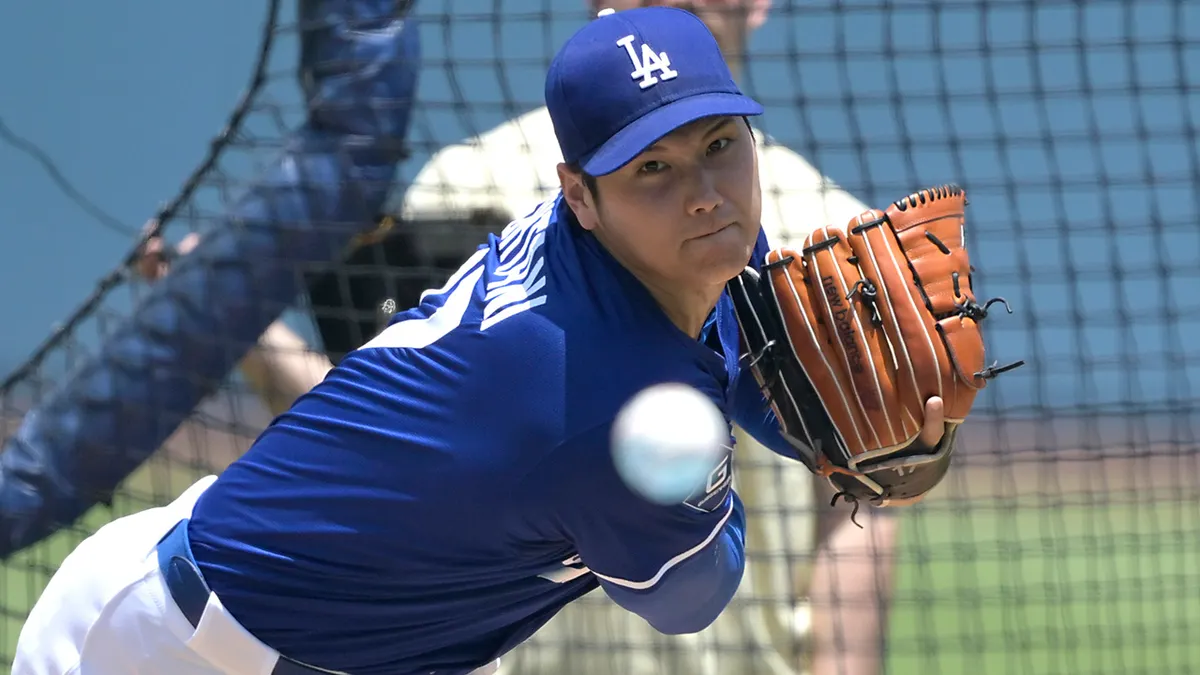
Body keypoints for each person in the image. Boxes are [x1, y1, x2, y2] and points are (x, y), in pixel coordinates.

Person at [12, 8, 944, 675]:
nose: (704, 192)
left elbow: (741, 366)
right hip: (168, 649)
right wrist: (731, 464)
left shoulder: (681, 248)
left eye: (718, 144)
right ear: (579, 193)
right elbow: (687, 599)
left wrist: (861, 451)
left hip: (314, 625)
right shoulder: (591, 399)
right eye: (652, 167)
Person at [402, 1, 899, 674]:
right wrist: (246, 337)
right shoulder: (466, 190)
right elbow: (404, 462)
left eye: (720, 146)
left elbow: (854, 510)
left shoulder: (830, 235)